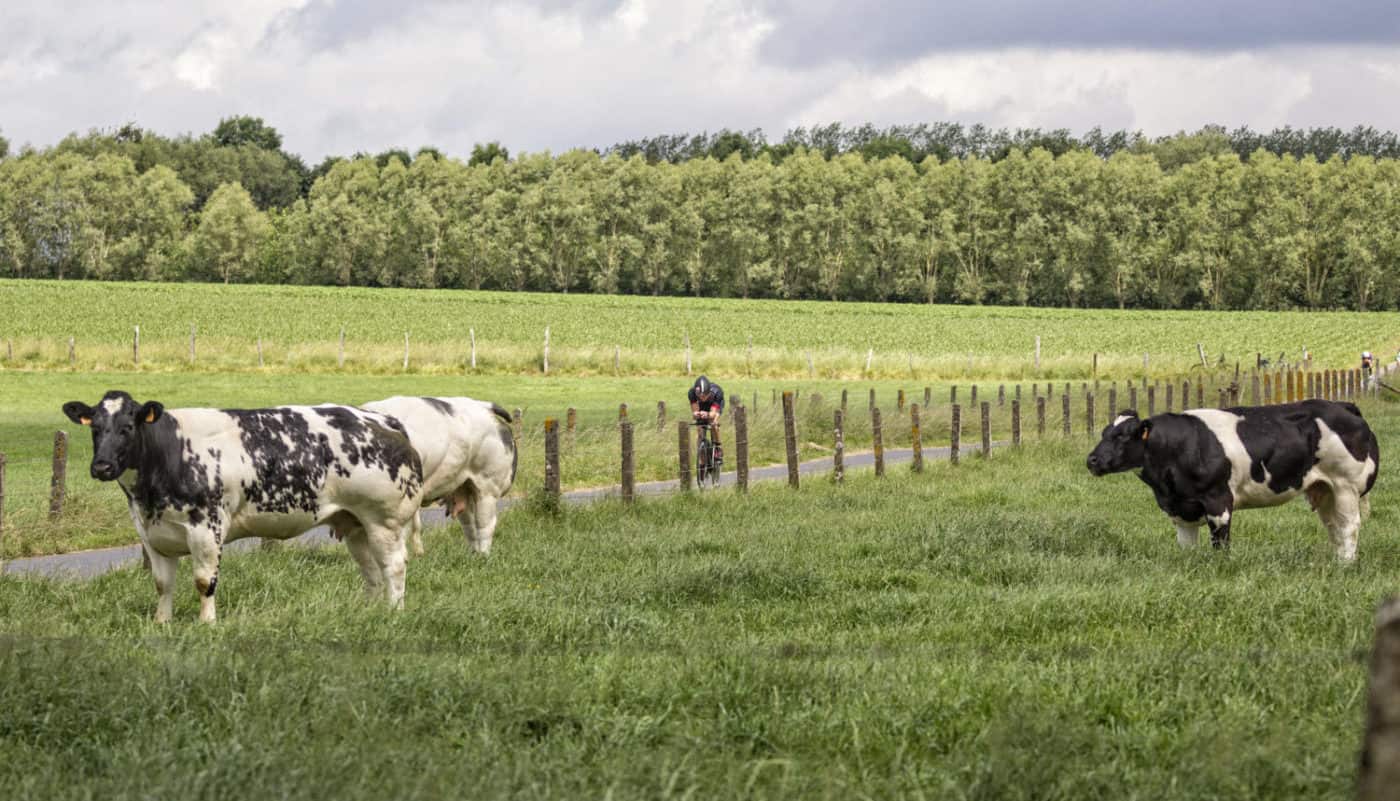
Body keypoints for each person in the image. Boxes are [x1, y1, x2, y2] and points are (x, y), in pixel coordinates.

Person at [688, 375, 725, 460]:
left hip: (714, 405)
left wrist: (708, 415)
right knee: (699, 427)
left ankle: (718, 447)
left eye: (704, 396)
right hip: (702, 406)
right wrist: (696, 414)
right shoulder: (692, 393)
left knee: (713, 423)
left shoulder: (717, 392)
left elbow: (712, 414)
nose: (702, 398)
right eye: (700, 396)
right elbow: (694, 413)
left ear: (708, 393)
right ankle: (702, 457)